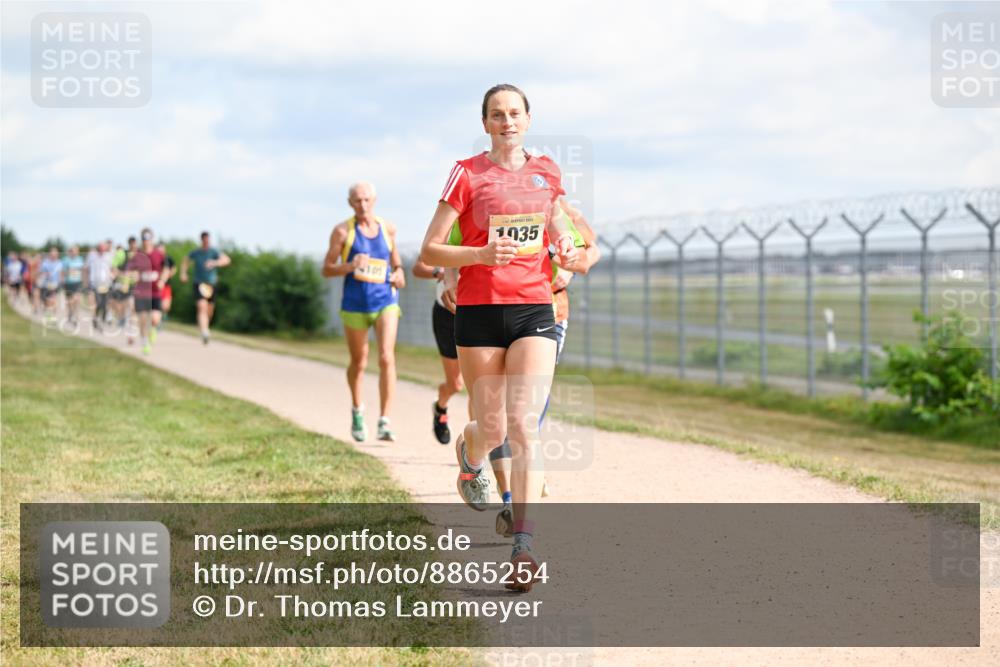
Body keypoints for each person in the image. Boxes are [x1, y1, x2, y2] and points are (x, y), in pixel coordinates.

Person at [420, 84, 578, 591]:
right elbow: (431, 249)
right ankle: (470, 454)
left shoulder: (547, 171)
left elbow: (558, 226)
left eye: (514, 113)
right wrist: (479, 256)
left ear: (528, 119)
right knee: (489, 427)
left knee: (523, 425)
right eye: (496, 114)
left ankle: (523, 548)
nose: (506, 121)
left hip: (534, 307)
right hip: (480, 313)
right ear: (485, 122)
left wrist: (568, 247)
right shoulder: (467, 173)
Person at [322, 182, 405, 443]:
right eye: (357, 201)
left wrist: (400, 272)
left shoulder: (387, 228)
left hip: (385, 301)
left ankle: (385, 420)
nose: (363, 205)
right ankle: (358, 411)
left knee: (385, 358)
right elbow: (327, 269)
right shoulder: (342, 232)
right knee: (359, 361)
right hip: (355, 304)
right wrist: (349, 266)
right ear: (350, 203)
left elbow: (395, 259)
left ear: (375, 200)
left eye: (367, 200)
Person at [411, 259, 468, 444]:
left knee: (479, 385)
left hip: (479, 312)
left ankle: (476, 444)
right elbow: (419, 268)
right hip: (446, 314)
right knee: (456, 384)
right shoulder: (445, 232)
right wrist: (440, 272)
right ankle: (440, 407)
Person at [180, 232, 230, 345]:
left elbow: (227, 260)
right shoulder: (196, 253)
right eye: (205, 240)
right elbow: (185, 261)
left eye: (208, 240)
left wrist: (215, 262)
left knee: (209, 310)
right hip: (199, 283)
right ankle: (205, 332)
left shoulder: (214, 251)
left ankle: (204, 326)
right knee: (201, 306)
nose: (206, 242)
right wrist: (183, 273)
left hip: (211, 284)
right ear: (201, 240)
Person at [125, 229, 168, 354]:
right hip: (141, 292)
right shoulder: (137, 255)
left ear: (152, 239)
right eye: (144, 238)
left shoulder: (158, 254)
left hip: (155, 292)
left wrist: (162, 280)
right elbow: (129, 271)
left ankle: (153, 330)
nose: (146, 241)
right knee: (142, 318)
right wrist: (131, 277)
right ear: (142, 239)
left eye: (148, 238)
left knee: (155, 319)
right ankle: (144, 342)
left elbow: (166, 268)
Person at [86, 241, 115, 331]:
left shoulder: (109, 256)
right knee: (98, 302)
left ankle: (102, 318)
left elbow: (113, 268)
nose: (102, 251)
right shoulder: (92, 256)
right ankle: (96, 318)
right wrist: (86, 281)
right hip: (95, 284)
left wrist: (113, 276)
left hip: (107, 284)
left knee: (106, 303)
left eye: (103, 249)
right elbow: (87, 268)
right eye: (100, 249)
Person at [62, 245, 86, 325]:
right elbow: (63, 272)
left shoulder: (80, 259)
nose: (75, 252)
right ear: (70, 251)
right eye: (73, 251)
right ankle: (70, 313)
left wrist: (84, 281)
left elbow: (83, 270)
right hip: (68, 283)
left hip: (77, 282)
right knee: (69, 301)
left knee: (76, 299)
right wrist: (68, 273)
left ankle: (76, 316)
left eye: (76, 251)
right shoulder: (66, 260)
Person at [38, 247, 64, 321]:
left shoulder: (59, 263)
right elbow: (41, 272)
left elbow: (61, 273)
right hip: (46, 284)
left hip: (55, 284)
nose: (54, 255)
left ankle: (52, 316)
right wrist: (46, 274)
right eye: (52, 254)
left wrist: (61, 281)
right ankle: (48, 313)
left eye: (55, 254)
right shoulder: (45, 263)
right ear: (49, 254)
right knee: (47, 301)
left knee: (53, 300)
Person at [156, 243, 177, 328]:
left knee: (166, 306)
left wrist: (170, 274)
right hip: (156, 285)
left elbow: (174, 268)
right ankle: (157, 319)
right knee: (157, 303)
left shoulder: (168, 259)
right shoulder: (155, 259)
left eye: (162, 249)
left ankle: (163, 316)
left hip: (166, 285)